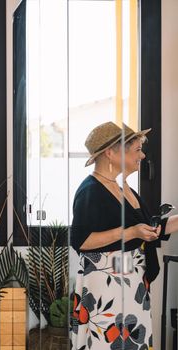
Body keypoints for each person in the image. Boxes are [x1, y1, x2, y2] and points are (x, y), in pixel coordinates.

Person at [70, 121, 178, 349]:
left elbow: (151, 229)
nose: (143, 154)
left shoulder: (123, 188)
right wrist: (130, 232)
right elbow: (82, 241)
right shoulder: (90, 190)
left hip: (131, 281)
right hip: (105, 283)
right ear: (110, 153)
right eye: (137, 149)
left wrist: (140, 232)